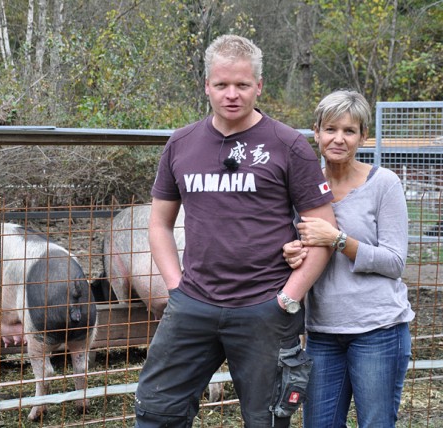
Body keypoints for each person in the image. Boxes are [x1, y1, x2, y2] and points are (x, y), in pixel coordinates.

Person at [134, 34, 337, 428]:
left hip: (264, 307)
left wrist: (287, 298)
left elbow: (324, 230)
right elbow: (159, 223)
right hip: (192, 303)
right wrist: (176, 287)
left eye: (242, 85)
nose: (232, 94)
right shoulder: (181, 143)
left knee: (266, 419)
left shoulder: (288, 145)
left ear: (259, 86)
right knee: (157, 411)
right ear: (206, 85)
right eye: (222, 84)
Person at [282, 90, 415, 428]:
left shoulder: (383, 184)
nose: (338, 138)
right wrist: (291, 253)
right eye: (330, 129)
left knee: (375, 423)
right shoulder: (303, 189)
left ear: (363, 136)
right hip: (322, 331)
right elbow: (299, 249)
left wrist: (339, 240)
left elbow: (395, 262)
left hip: (378, 329)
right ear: (316, 132)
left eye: (349, 130)